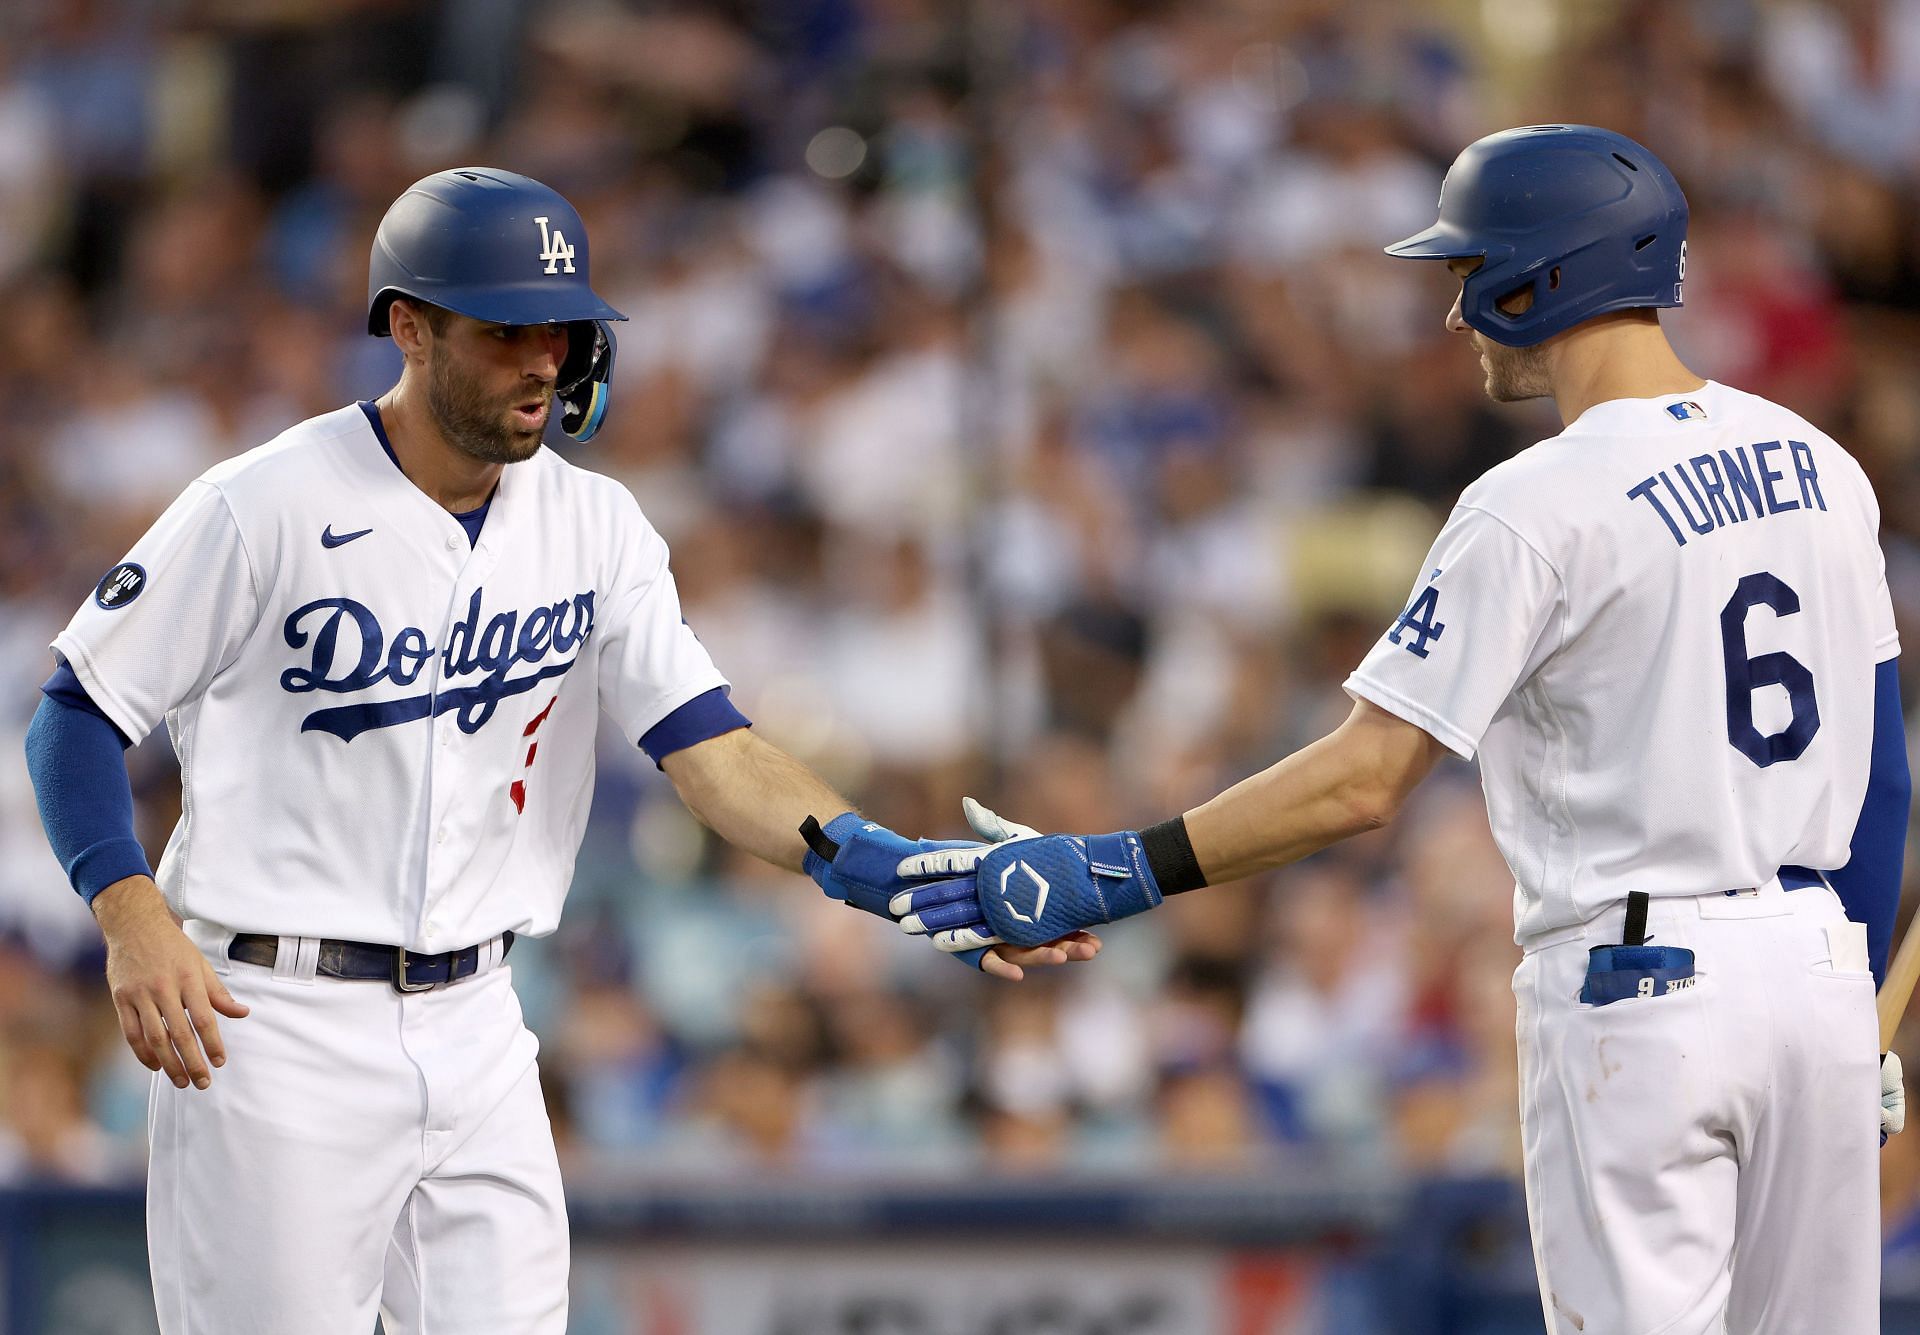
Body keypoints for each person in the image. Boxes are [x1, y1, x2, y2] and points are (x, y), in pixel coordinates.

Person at [22, 166, 1091, 1335]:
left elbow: (710, 749)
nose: (545, 359)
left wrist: (878, 864)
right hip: (273, 1023)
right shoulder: (262, 503)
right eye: (507, 329)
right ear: (411, 328)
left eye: (563, 328)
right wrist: (130, 916)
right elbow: (76, 711)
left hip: (479, 1017)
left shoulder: (595, 524)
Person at [896, 126, 1912, 1333]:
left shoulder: (1536, 499)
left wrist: (1112, 871)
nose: (1455, 314)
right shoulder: (1822, 465)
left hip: (1645, 990)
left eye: (1468, 274)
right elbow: (1882, 777)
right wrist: (1860, 1006)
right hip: (1817, 973)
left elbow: (1365, 780)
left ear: (1544, 278)